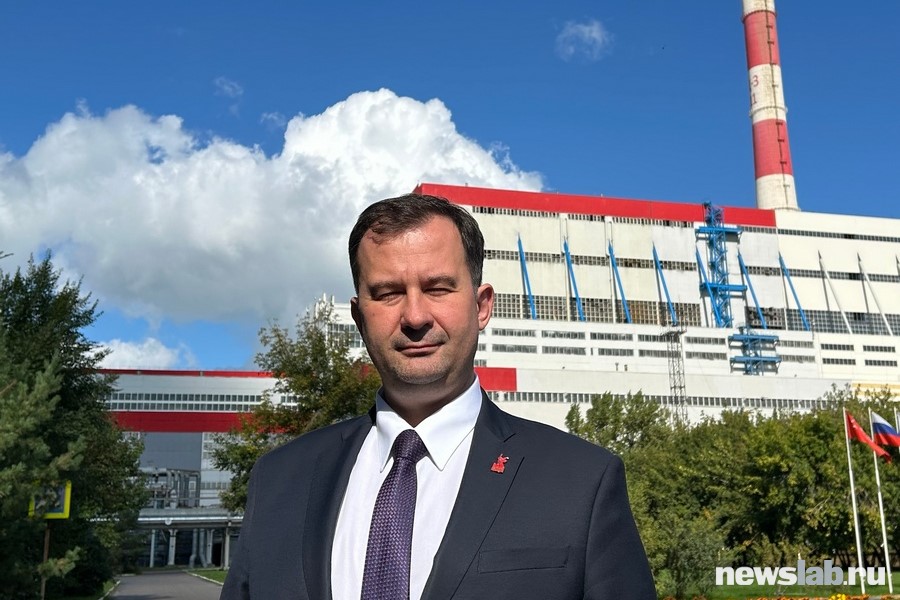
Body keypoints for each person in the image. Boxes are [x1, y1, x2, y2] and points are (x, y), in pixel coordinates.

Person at [221, 193, 656, 600]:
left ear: (482, 306)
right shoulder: (280, 480)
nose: (414, 316)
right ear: (358, 316)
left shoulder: (582, 481)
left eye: (438, 288)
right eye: (388, 293)